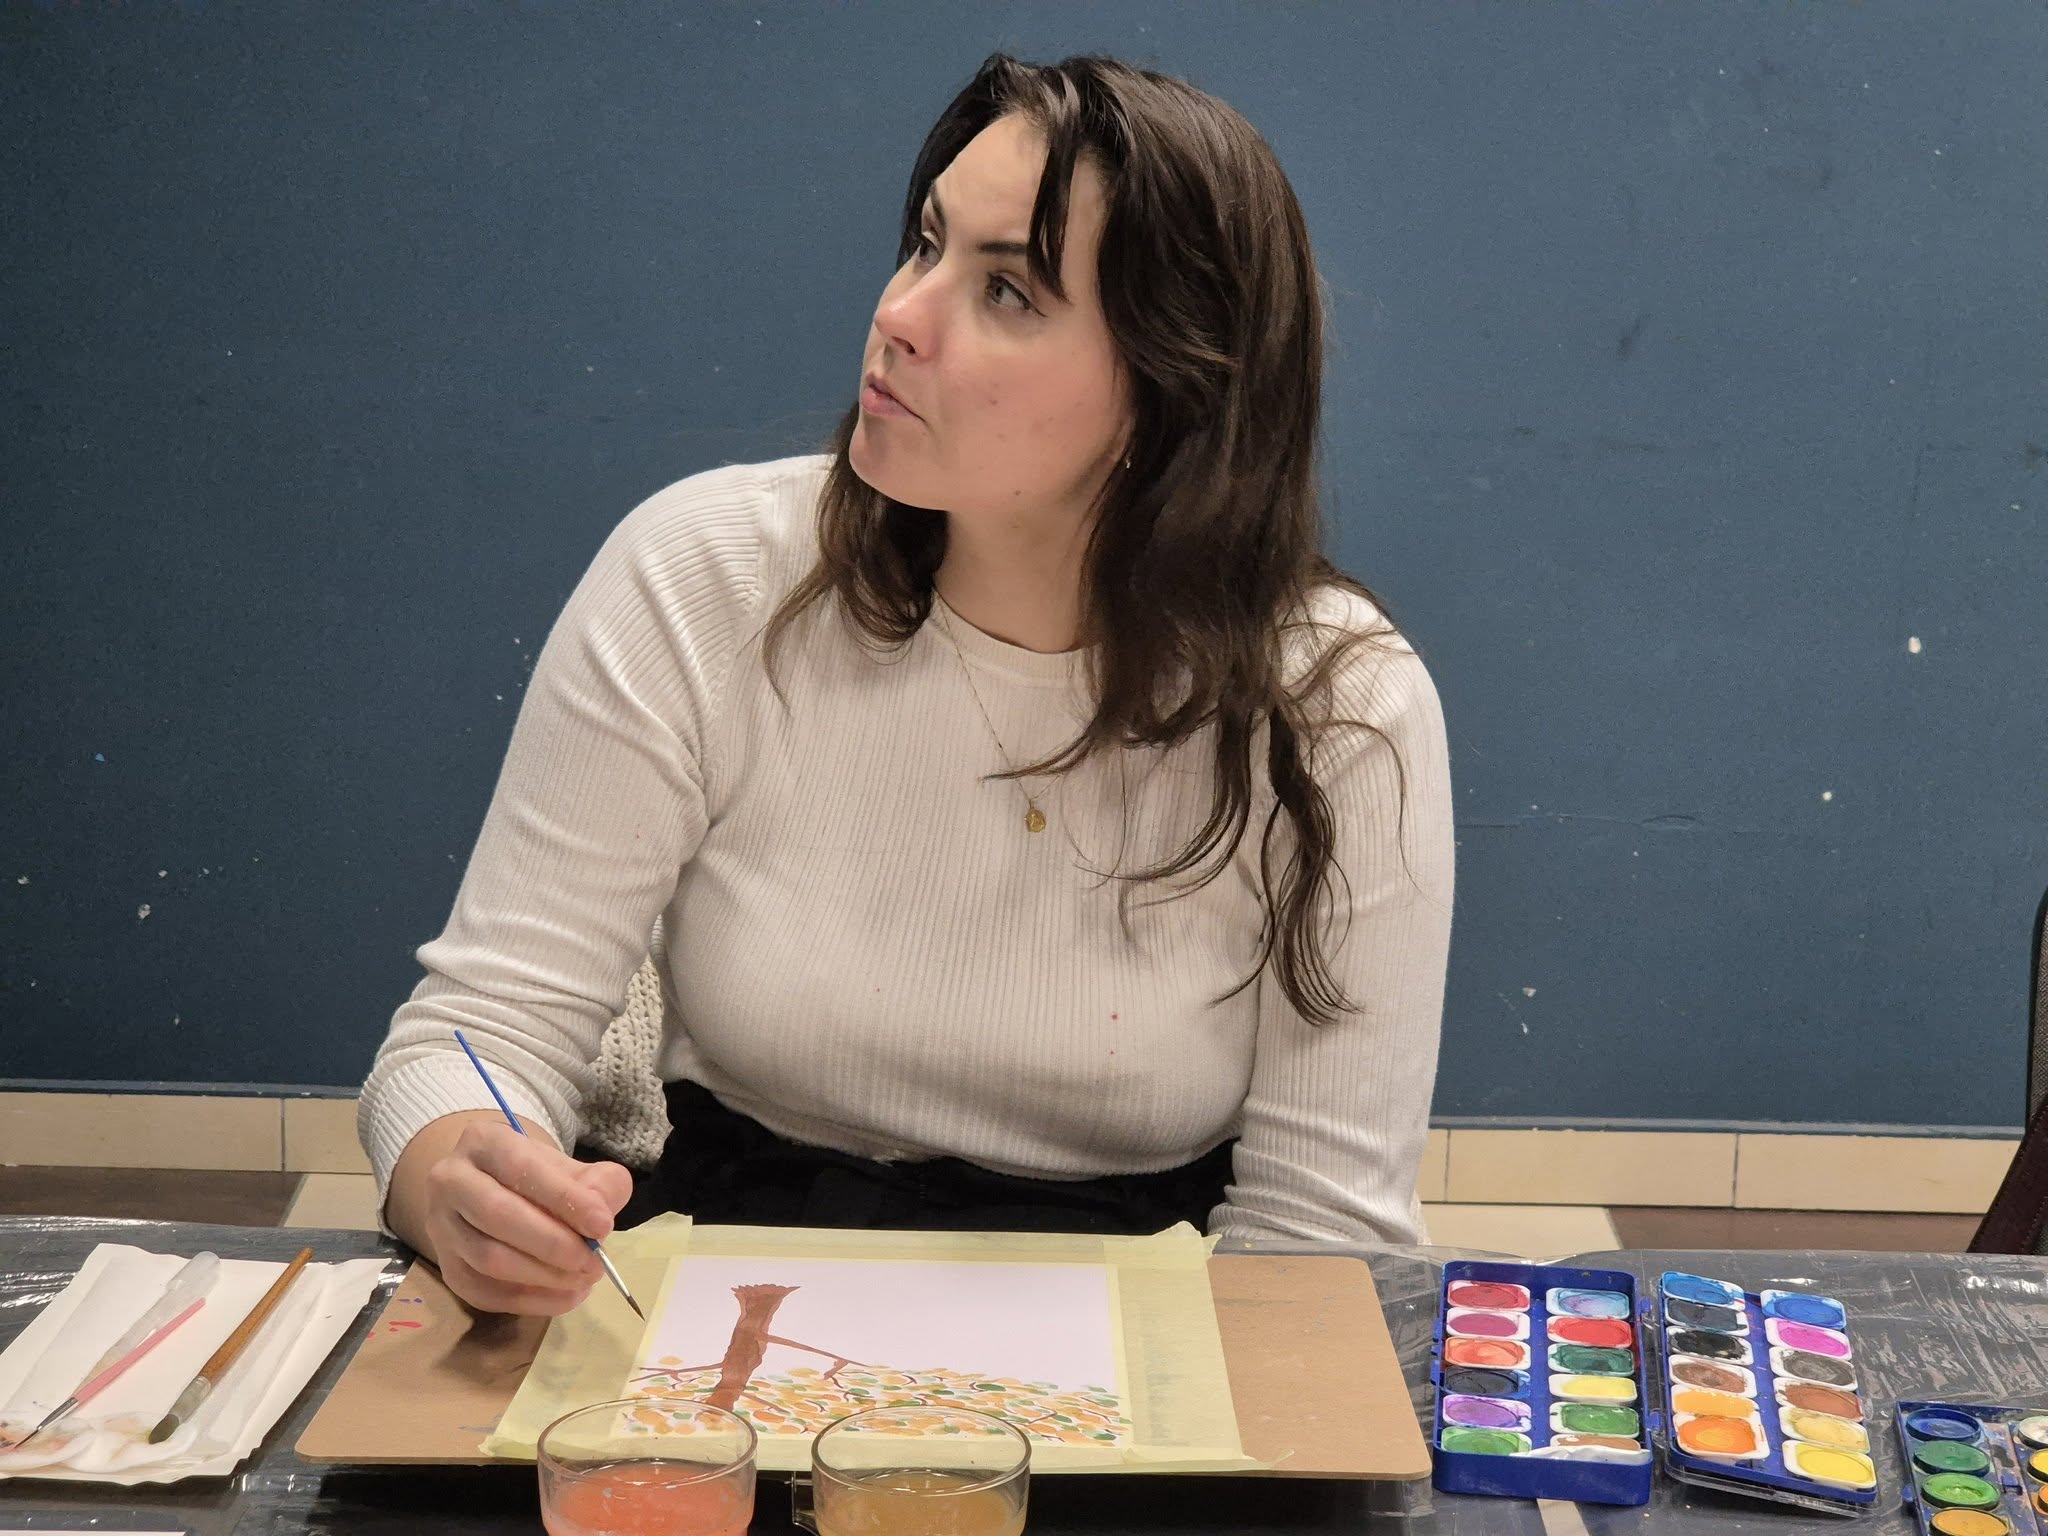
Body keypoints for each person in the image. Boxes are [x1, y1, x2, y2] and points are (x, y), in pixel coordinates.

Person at [359, 52, 1454, 1318]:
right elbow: (477, 1033)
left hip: (1145, 1317)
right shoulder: (705, 573)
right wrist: (461, 1181)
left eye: (1006, 290)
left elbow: (1319, 1239)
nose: (900, 315)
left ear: (1169, 394)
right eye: (925, 244)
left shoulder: (1337, 706)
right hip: (728, 1279)